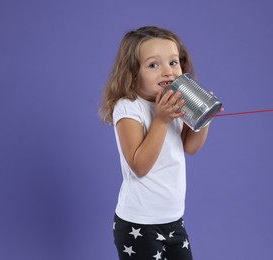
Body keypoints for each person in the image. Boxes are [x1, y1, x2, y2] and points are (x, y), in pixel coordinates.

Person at [99, 26, 217, 260]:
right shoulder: (129, 108)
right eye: (154, 65)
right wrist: (161, 120)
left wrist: (204, 118)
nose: (167, 71)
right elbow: (139, 165)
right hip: (139, 225)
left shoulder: (174, 101)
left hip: (173, 219)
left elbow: (190, 147)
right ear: (132, 73)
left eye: (174, 62)